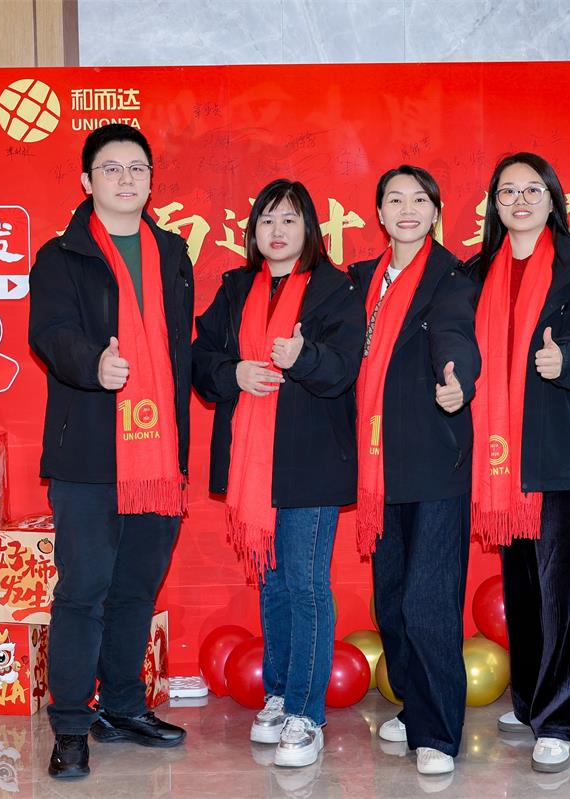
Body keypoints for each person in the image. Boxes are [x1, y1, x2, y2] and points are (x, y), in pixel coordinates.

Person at [29, 124, 194, 779]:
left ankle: (122, 707)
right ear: (86, 181)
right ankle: (71, 724)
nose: (127, 179)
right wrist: (92, 364)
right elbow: (50, 334)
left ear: (151, 180)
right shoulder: (61, 255)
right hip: (90, 454)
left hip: (157, 457)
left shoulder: (171, 252)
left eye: (138, 168)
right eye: (112, 168)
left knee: (135, 589)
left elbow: (178, 351)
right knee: (84, 590)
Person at [193, 179, 364, 768]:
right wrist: (234, 373)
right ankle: (279, 694)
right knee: (272, 582)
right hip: (253, 463)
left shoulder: (336, 289)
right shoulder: (236, 287)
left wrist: (303, 357)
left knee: (306, 583)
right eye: (267, 219)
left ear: (310, 229)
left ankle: (306, 715)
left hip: (311, 460)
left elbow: (344, 368)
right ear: (253, 232)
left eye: (290, 219)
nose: (277, 230)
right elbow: (201, 358)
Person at [465, 152, 570, 773]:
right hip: (504, 457)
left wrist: (566, 359)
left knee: (564, 594)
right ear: (495, 205)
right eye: (508, 192)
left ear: (553, 199)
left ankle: (560, 719)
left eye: (532, 190)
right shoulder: (477, 273)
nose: (520, 201)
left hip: (561, 452)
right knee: (524, 589)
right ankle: (530, 702)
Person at [349, 165, 481, 776]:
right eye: (395, 200)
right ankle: (414, 702)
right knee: (394, 597)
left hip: (433, 456)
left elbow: (455, 337)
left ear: (435, 212)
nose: (407, 209)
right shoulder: (360, 280)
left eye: (420, 200)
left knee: (430, 598)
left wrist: (458, 381)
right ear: (379, 213)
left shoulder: (451, 277)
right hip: (378, 464)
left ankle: (437, 732)